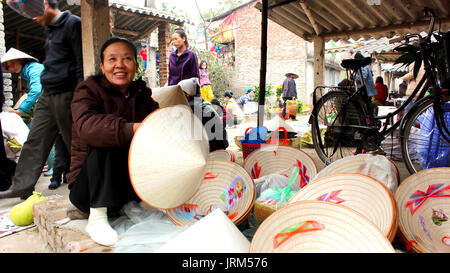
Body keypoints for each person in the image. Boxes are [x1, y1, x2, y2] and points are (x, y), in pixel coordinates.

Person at [68, 37, 159, 246]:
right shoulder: (87, 91)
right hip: (89, 189)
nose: (119, 65)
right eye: (112, 59)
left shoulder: (142, 95)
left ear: (136, 65)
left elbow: (158, 126)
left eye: (127, 59)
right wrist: (133, 128)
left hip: (128, 185)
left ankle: (141, 203)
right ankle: (97, 218)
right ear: (102, 66)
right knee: (107, 137)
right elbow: (87, 127)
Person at [0, 0, 83, 199]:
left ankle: (86, 189)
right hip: (47, 95)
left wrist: (81, 97)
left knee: (75, 144)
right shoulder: (50, 30)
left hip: (67, 93)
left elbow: (82, 63)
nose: (33, 18)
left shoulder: (73, 24)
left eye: (33, 12)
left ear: (45, 3)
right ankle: (22, 186)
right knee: (34, 140)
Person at [178, 78, 228, 152]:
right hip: (221, 143)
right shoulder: (200, 103)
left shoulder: (192, 107)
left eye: (180, 93)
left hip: (214, 148)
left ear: (187, 94)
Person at [1, 48, 44, 119]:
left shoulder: (34, 68)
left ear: (21, 60)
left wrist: (22, 110)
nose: (11, 68)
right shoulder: (27, 73)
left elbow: (36, 90)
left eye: (13, 63)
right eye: (8, 67)